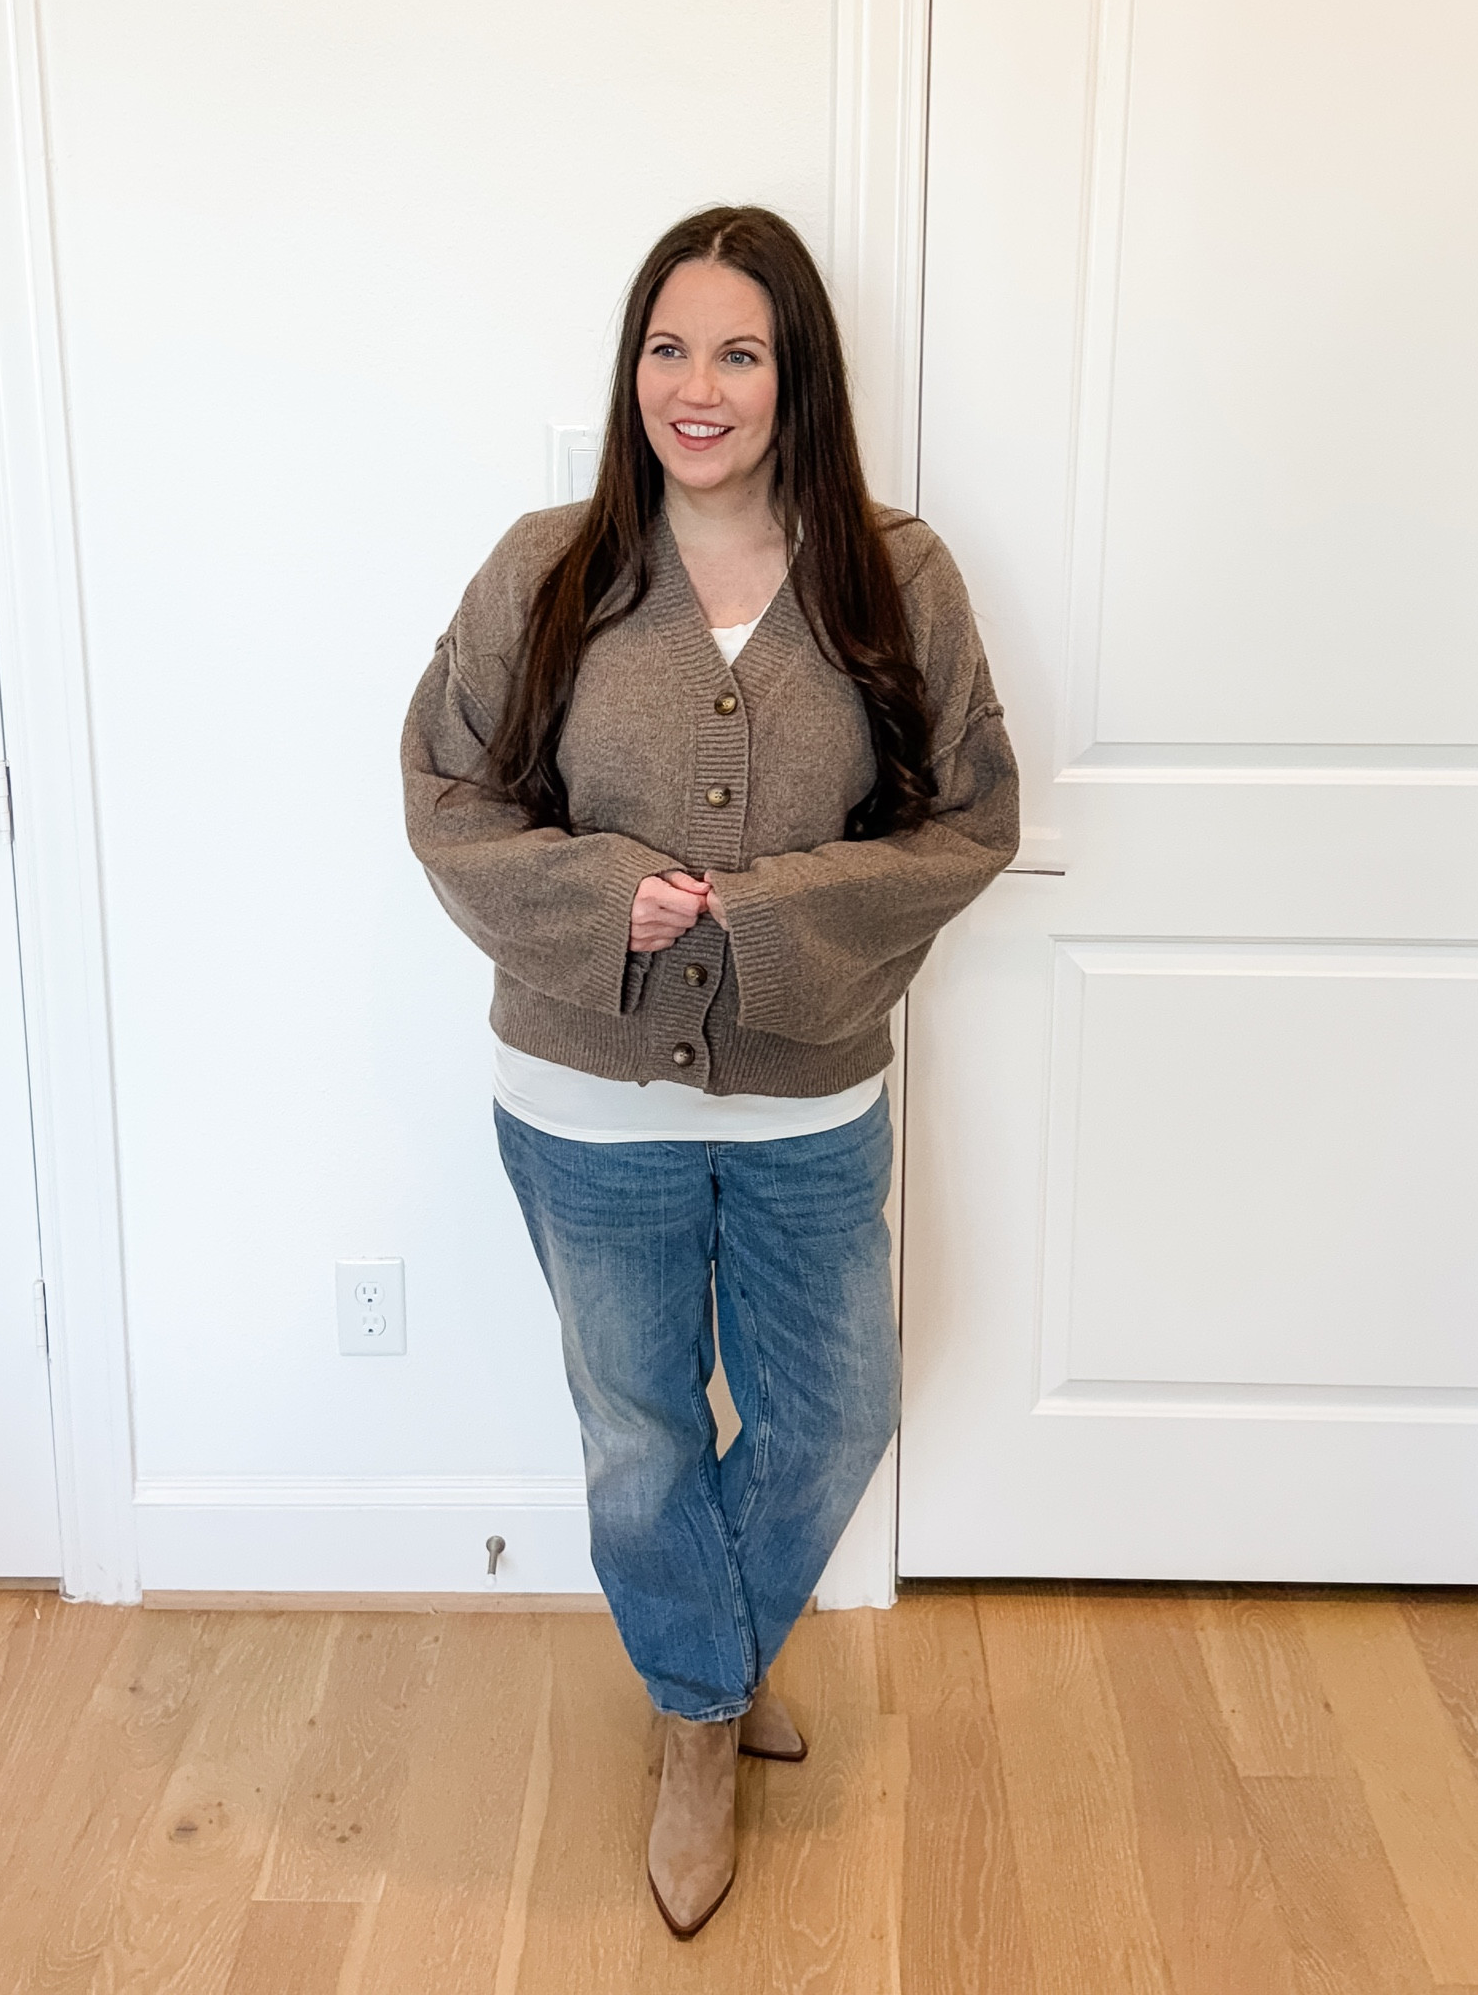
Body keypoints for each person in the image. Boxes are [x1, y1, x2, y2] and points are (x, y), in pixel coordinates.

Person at [401, 204, 1018, 1938]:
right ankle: (699, 1722)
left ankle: (703, 1660)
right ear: (634, 369)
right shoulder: (549, 569)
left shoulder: (897, 577)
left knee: (836, 1408)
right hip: (580, 1107)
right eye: (669, 346)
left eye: (738, 350)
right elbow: (445, 798)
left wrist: (769, 918)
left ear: (795, 372)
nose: (698, 384)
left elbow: (974, 815)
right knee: (640, 1427)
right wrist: (610, 896)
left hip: (814, 1097)